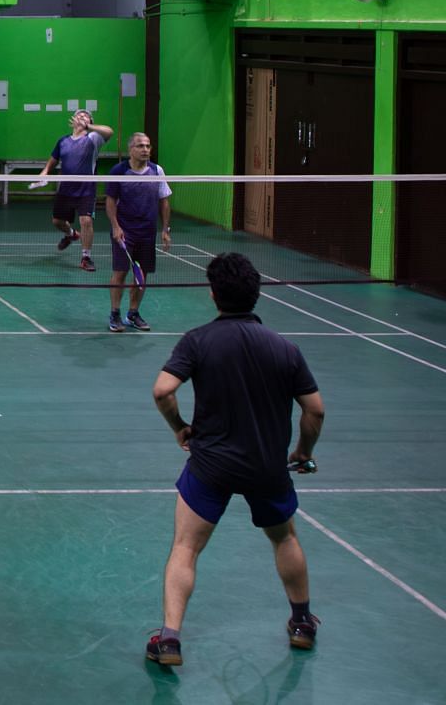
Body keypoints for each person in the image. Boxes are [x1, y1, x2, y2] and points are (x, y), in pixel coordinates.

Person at [147, 252, 325, 668]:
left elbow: (162, 390)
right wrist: (303, 452)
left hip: (211, 465)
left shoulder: (197, 341)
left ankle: (169, 639)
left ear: (213, 295)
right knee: (285, 538)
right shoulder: (285, 349)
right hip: (267, 466)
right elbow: (315, 409)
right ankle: (301, 623)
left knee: (186, 548)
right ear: (256, 295)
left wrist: (179, 426)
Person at [104, 132, 171, 333]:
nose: (145, 150)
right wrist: (115, 226)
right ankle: (115, 314)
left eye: (148, 146)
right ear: (130, 149)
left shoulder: (157, 170)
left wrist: (165, 229)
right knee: (120, 273)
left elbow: (164, 201)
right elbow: (109, 202)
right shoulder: (119, 171)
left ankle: (133, 313)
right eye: (141, 146)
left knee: (142, 275)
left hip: (147, 232)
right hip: (125, 232)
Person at [33, 109, 113, 271]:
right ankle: (71, 234)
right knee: (57, 221)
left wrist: (90, 126)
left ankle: (86, 257)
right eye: (79, 115)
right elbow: (53, 159)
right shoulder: (63, 141)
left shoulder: (93, 138)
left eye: (86, 116)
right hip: (66, 188)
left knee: (86, 221)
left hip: (86, 188)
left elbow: (109, 131)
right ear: (73, 120)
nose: (82, 117)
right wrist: (45, 172)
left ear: (90, 120)